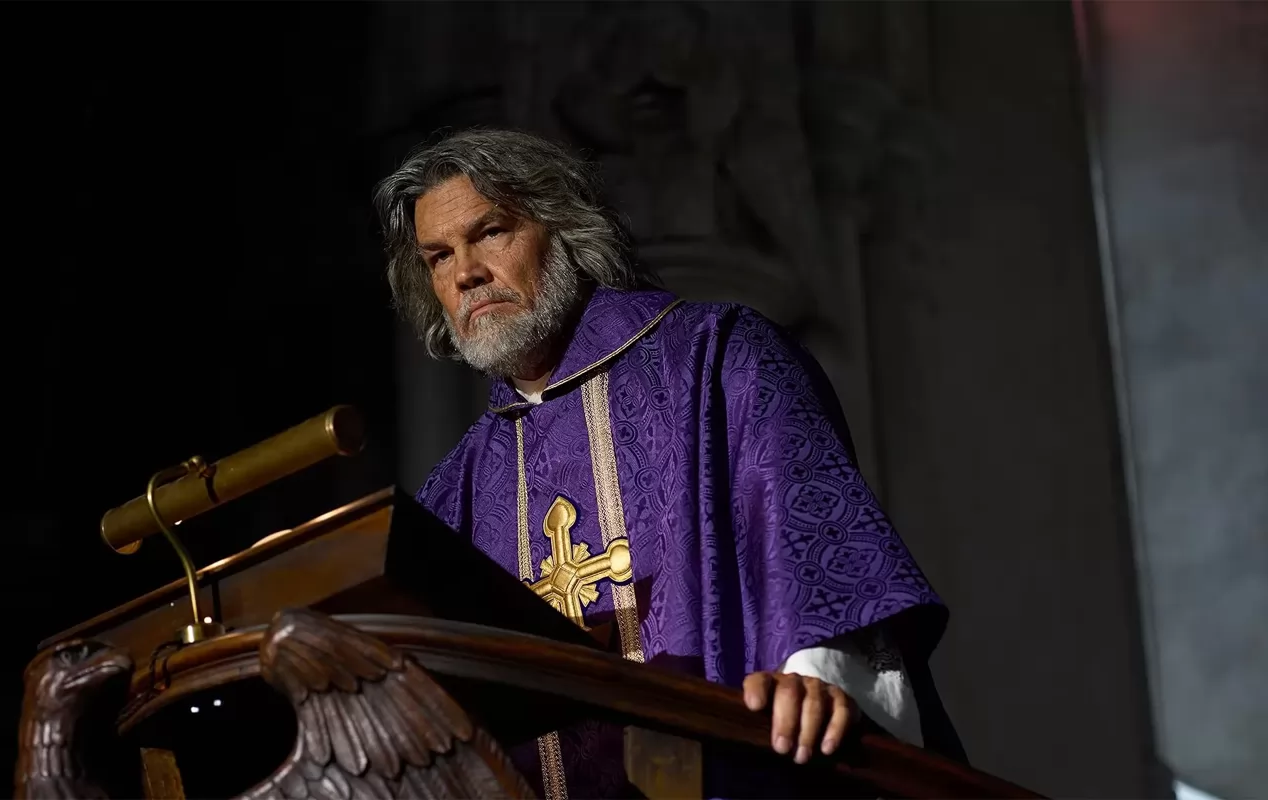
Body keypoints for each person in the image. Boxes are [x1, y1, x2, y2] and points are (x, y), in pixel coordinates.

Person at [374, 128, 963, 798]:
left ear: (562, 229)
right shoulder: (456, 490)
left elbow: (820, 548)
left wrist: (820, 680)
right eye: (439, 256)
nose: (466, 273)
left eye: (489, 233)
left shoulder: (718, 358)